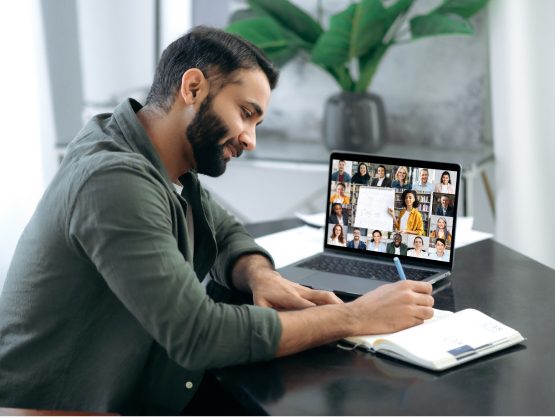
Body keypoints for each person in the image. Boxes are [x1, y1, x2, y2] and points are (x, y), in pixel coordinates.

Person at [0, 27, 434, 415]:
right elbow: (199, 334)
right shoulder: (114, 180)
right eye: (246, 113)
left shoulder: (153, 156)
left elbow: (224, 230)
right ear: (193, 87)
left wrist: (260, 276)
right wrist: (356, 317)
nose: (251, 138)